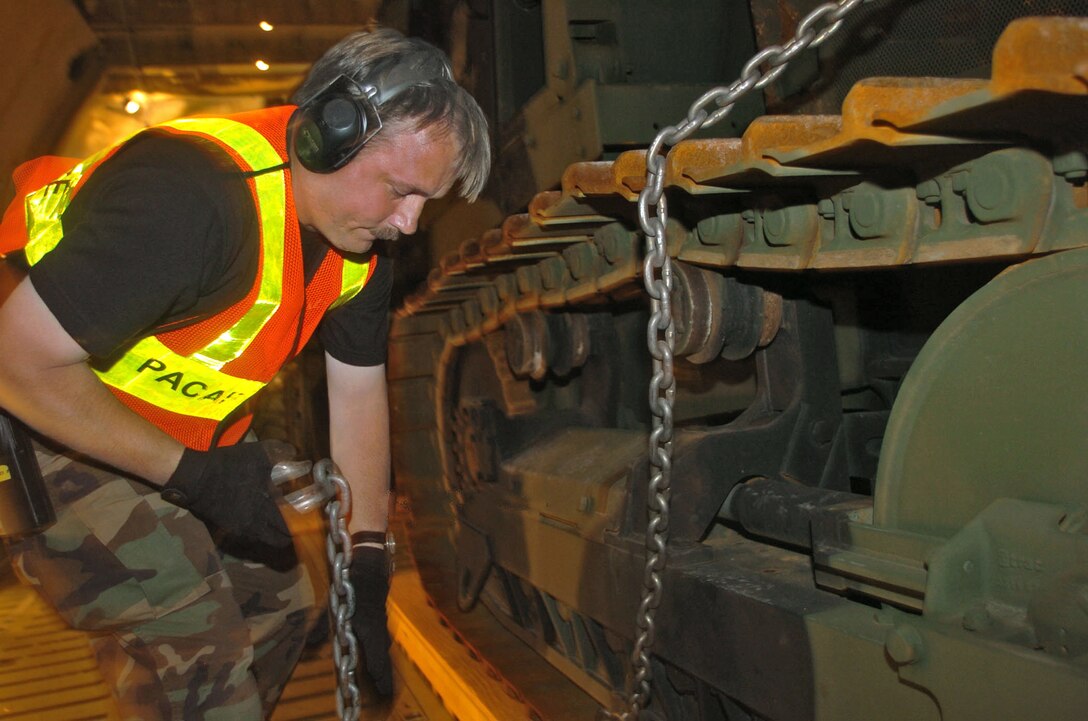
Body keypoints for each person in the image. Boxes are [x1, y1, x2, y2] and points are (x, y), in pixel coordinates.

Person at [0, 25, 490, 720]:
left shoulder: (362, 246)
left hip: (170, 444)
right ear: (331, 136)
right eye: (399, 190)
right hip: (47, 430)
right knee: (193, 635)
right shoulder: (191, 199)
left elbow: (356, 398)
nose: (410, 224)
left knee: (280, 604)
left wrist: (368, 557)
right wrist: (193, 476)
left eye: (425, 203)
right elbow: (15, 360)